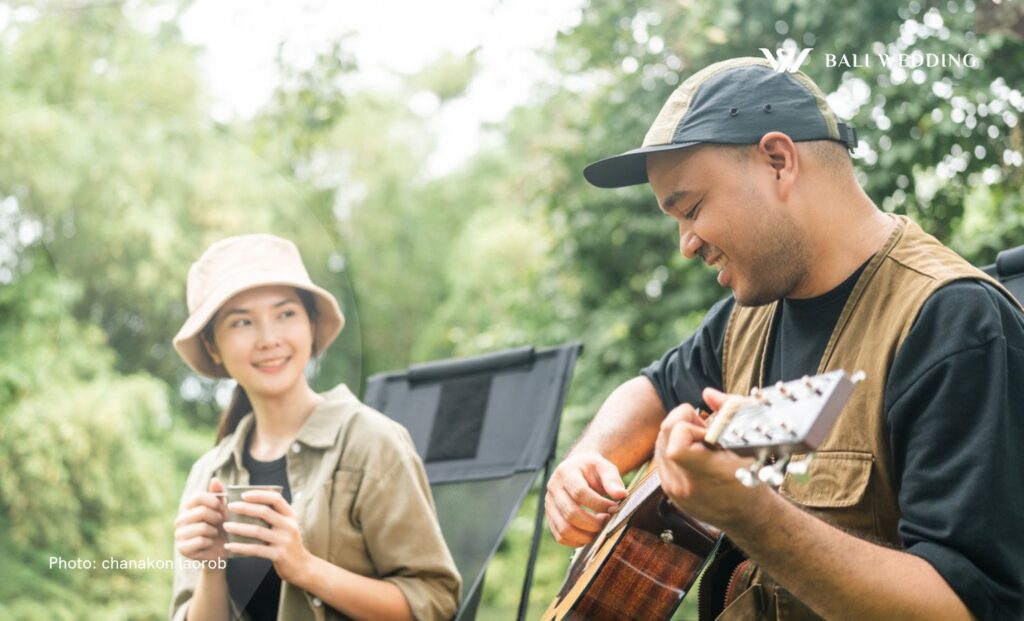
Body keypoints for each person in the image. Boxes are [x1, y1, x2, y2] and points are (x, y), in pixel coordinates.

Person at [545, 57, 1024, 620]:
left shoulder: (952, 323)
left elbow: (969, 608)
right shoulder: (746, 318)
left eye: (692, 208)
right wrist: (587, 461)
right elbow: (652, 389)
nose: (686, 244)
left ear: (778, 161)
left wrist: (748, 512)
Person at [168, 234, 460, 621]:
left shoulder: (371, 442)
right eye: (242, 322)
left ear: (311, 323)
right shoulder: (208, 475)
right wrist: (211, 567)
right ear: (213, 347)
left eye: (285, 314)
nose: (269, 339)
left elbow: (436, 603)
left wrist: (305, 567)